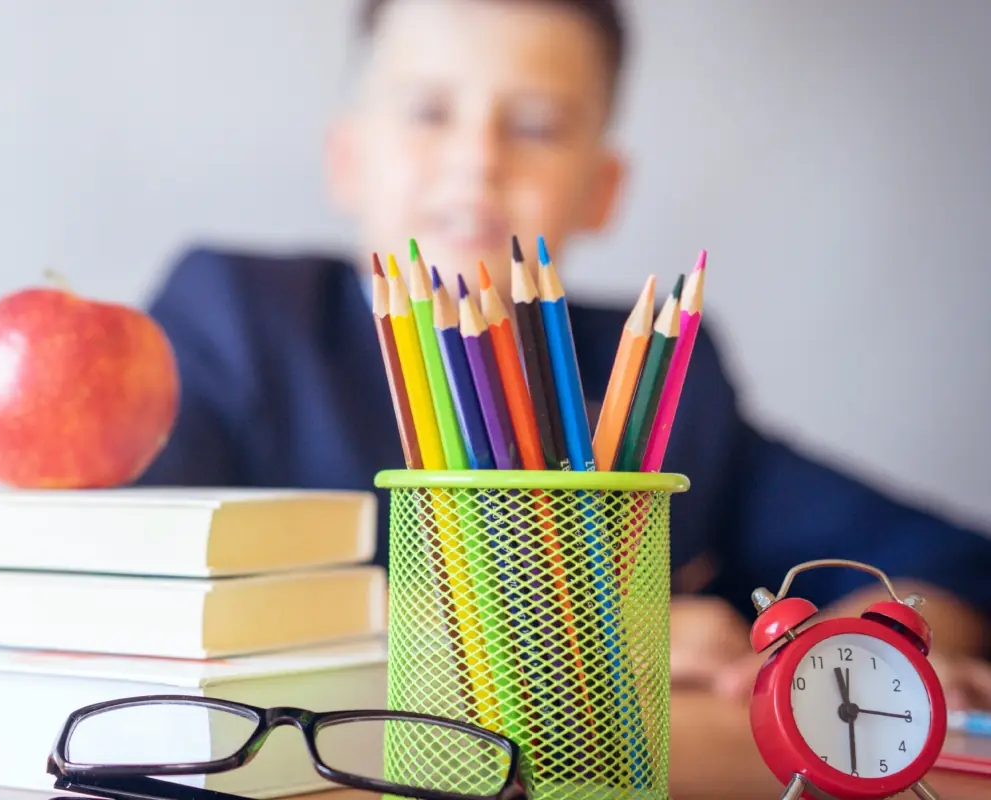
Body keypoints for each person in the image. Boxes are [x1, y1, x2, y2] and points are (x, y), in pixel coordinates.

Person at [132, 0, 991, 709]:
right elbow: (139, 580)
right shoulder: (234, 317)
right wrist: (598, 636)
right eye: (429, 112)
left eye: (537, 127)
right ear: (346, 159)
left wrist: (860, 654)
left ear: (602, 190)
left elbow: (948, 562)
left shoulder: (658, 372)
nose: (476, 159)